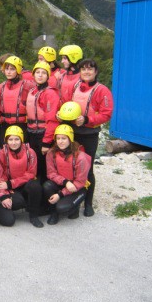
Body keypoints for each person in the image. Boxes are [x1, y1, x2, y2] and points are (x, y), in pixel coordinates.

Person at [61, 59, 114, 217]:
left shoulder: (102, 90)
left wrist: (87, 119)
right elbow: (67, 104)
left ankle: (88, 203)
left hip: (89, 134)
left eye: (90, 69)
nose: (86, 72)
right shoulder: (75, 86)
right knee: (70, 166)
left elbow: (106, 114)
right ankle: (73, 199)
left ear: (96, 72)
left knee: (87, 169)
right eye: (83, 69)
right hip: (73, 132)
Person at [43, 124, 91, 224]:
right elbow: (51, 174)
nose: (60, 141)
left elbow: (80, 182)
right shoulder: (51, 153)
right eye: (58, 138)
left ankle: (74, 208)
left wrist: (60, 194)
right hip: (64, 184)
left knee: (63, 208)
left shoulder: (81, 157)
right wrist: (65, 182)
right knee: (47, 185)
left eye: (64, 138)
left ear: (70, 139)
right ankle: (53, 213)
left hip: (77, 188)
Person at [0, 126, 44, 228]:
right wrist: (4, 193)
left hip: (23, 184)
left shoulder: (30, 152)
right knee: (17, 203)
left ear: (21, 140)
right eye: (10, 139)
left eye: (17, 139)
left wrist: (12, 183)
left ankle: (33, 216)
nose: (13, 143)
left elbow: (31, 173)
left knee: (35, 186)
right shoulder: (1, 154)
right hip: (9, 187)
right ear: (6, 141)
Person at [26, 61, 60, 184]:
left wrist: (46, 142)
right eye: (38, 72)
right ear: (33, 75)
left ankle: (46, 198)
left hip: (43, 134)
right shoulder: (32, 91)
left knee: (43, 168)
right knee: (34, 165)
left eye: (44, 73)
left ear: (48, 76)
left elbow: (52, 120)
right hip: (31, 133)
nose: (40, 75)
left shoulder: (50, 93)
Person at [0, 56, 35, 146]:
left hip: (22, 125)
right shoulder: (1, 87)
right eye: (7, 69)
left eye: (12, 69)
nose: (8, 71)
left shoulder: (28, 86)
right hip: (5, 125)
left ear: (18, 70)